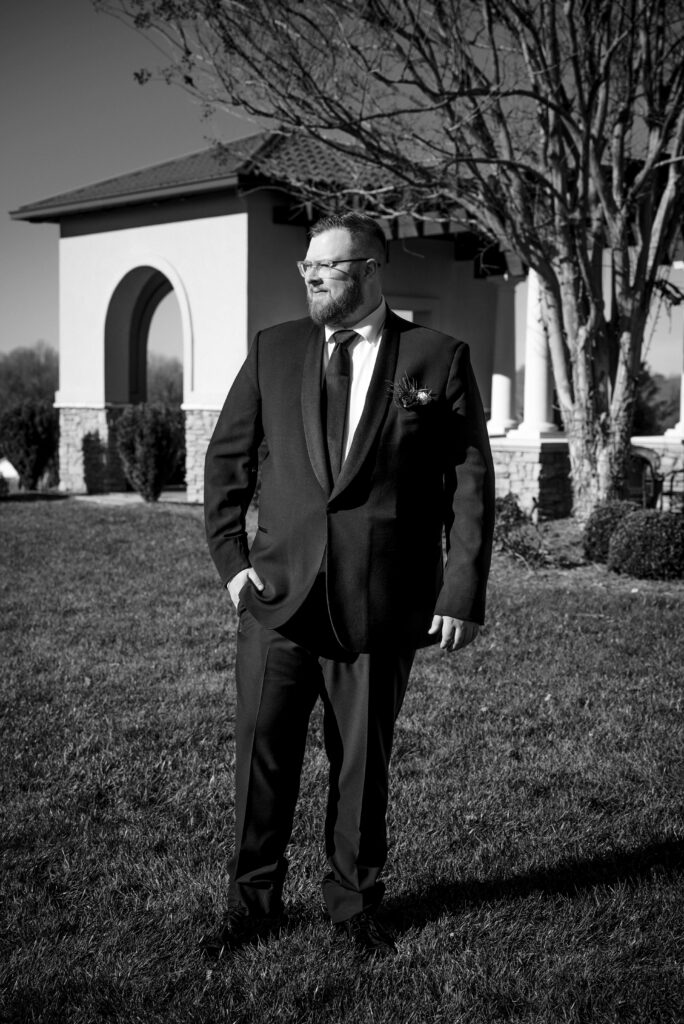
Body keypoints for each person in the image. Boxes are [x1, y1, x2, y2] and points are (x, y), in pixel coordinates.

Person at [202, 212, 495, 958]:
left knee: (362, 766)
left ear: (368, 269)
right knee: (261, 758)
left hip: (382, 602)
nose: (311, 278)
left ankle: (354, 906)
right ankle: (252, 905)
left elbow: (469, 485)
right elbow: (227, 461)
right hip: (276, 599)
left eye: (327, 267)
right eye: (306, 267)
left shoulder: (436, 358)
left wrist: (461, 591)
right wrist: (232, 563)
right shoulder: (273, 349)